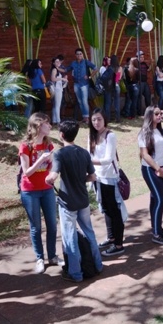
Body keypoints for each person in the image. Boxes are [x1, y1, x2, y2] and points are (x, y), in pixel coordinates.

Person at [45, 119, 104, 282]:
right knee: (89, 233)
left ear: (61, 135)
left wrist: (48, 179)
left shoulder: (59, 153)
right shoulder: (84, 152)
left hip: (67, 203)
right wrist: (79, 178)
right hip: (83, 200)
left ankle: (75, 273)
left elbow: (53, 175)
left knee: (69, 237)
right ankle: (98, 266)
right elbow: (92, 176)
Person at [19, 113, 60, 273]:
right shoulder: (25, 146)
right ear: (37, 126)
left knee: (52, 224)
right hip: (30, 191)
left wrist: (50, 164)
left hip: (47, 189)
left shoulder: (49, 144)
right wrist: (40, 160)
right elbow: (27, 172)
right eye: (46, 123)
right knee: (35, 227)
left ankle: (53, 256)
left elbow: (50, 168)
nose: (50, 126)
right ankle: (39, 258)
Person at [89, 108, 125, 257]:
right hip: (97, 178)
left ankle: (119, 244)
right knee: (106, 209)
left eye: (99, 119)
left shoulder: (110, 135)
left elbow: (108, 159)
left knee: (114, 210)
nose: (96, 122)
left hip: (109, 178)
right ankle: (111, 237)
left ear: (105, 119)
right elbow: (89, 153)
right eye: (94, 120)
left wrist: (89, 162)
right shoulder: (92, 135)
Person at [138, 106, 163, 245]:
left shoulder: (161, 131)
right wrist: (157, 168)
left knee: (155, 198)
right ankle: (157, 235)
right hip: (150, 169)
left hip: (162, 167)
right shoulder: (144, 133)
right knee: (160, 199)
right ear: (149, 115)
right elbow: (145, 154)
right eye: (156, 114)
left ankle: (156, 227)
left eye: (160, 113)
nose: (159, 115)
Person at [67, 48, 97, 124]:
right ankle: (84, 117)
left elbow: (95, 68)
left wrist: (90, 76)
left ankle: (87, 118)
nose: (79, 55)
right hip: (76, 84)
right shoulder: (73, 63)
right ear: (75, 55)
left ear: (82, 55)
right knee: (80, 101)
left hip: (84, 84)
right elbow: (66, 70)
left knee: (84, 101)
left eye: (80, 54)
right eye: (77, 54)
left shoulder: (86, 62)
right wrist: (58, 67)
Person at [50, 55, 68, 125]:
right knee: (58, 105)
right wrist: (62, 79)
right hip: (57, 89)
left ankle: (54, 120)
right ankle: (58, 120)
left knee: (55, 105)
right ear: (54, 63)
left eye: (59, 61)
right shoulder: (54, 69)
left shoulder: (57, 69)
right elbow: (53, 79)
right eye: (56, 62)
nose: (58, 63)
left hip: (58, 88)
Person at [136, 51, 152, 115]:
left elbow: (148, 69)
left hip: (145, 83)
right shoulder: (136, 64)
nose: (142, 58)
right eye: (141, 57)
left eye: (143, 57)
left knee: (148, 96)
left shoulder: (144, 64)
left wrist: (151, 63)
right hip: (139, 83)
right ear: (137, 57)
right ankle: (139, 112)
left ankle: (149, 111)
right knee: (139, 98)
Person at [110, 54, 122, 123]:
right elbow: (119, 78)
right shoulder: (119, 68)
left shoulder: (110, 68)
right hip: (117, 85)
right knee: (117, 102)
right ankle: (118, 118)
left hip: (111, 86)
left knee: (109, 102)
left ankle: (108, 116)